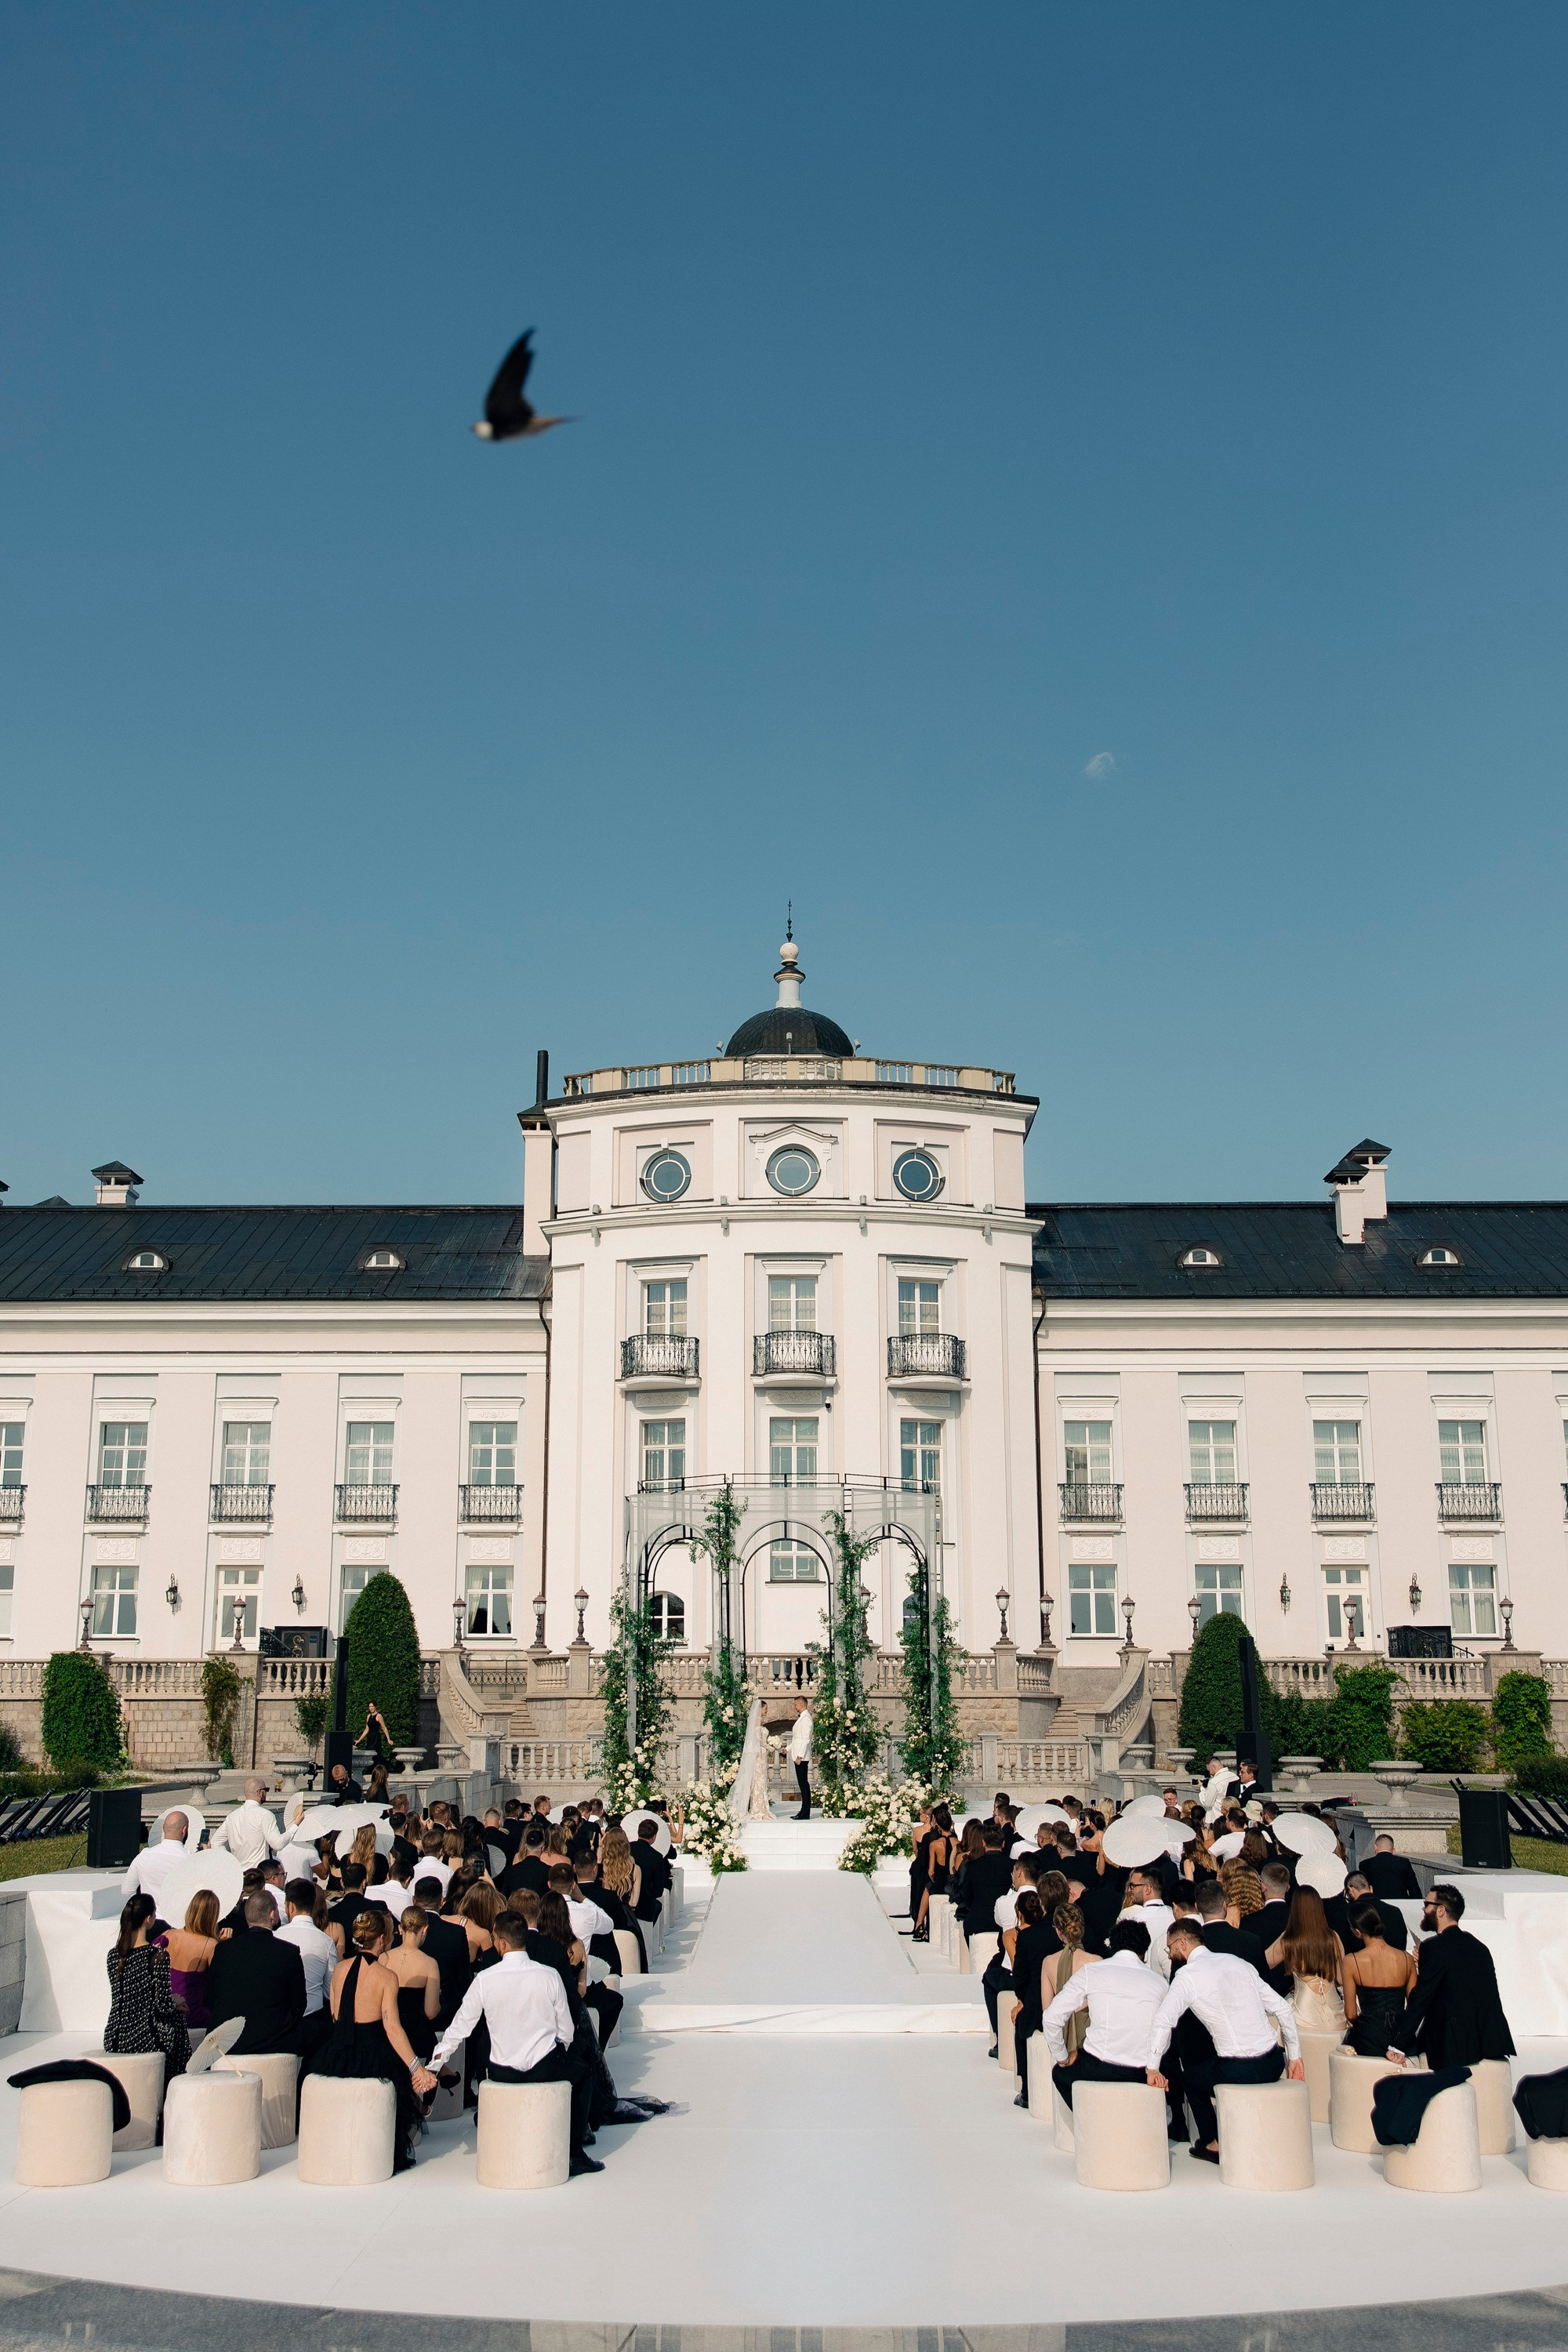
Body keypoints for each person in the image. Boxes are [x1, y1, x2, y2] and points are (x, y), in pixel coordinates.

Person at [430, 1911, 597, 2172]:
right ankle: (575, 2152)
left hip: (502, 2072)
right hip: (545, 2068)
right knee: (584, 2072)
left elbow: (460, 2028)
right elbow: (566, 2031)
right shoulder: (549, 1975)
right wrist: (558, 2048)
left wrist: (435, 2064)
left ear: (503, 1944)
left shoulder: (485, 1979)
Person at [1148, 1918, 1305, 2161]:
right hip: (1274, 2063)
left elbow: (1163, 2021)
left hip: (1238, 2069)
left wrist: (1152, 2067)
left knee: (1189, 2078)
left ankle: (1214, 2143)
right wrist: (1295, 2058)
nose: (1169, 1955)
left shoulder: (1187, 1976)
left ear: (1182, 1943)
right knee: (1213, 2063)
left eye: (1169, 1948)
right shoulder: (1239, 1964)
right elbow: (1283, 2009)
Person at [303, 1911, 437, 2171]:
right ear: (384, 1939)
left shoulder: (340, 1969)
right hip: (373, 2054)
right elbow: (392, 2027)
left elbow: (335, 2015)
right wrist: (415, 2067)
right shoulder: (387, 1977)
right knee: (401, 2091)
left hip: (337, 2052)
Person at [1388, 1882, 1515, 2069]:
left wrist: (1398, 2045)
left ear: (1441, 1910)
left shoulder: (1433, 1947)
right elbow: (1460, 1986)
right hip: (1489, 2040)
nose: (1423, 1909)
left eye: (1427, 1904)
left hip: (1452, 2045)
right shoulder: (1480, 1948)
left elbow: (1421, 2000)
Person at [1045, 1917, 1167, 2107]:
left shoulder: (1091, 1972)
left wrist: (1062, 2058)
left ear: (1112, 1945)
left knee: (1060, 2073)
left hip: (1098, 2068)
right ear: (1144, 1951)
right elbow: (1164, 2033)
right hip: (1141, 2072)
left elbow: (1051, 2018)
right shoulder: (1160, 1983)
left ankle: (1090, 2120)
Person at [206, 1890, 309, 2053]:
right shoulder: (288, 1952)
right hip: (274, 2043)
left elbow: (210, 1997)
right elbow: (299, 2004)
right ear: (272, 1914)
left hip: (226, 2045)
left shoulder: (223, 1950)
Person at [105, 1893, 191, 2081]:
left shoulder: (114, 1955)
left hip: (115, 2035)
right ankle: (176, 2084)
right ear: (149, 1919)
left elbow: (129, 1997)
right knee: (178, 2021)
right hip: (143, 2035)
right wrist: (174, 2001)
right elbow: (162, 2006)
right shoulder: (157, 1956)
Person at [1341, 1902, 1420, 2056]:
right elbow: (1414, 2006)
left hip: (1369, 2038)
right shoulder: (1406, 1958)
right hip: (1401, 2037)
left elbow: (1350, 2014)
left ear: (1357, 1932)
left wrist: (1367, 2026)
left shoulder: (1352, 1961)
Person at [1264, 1886, 1345, 2034]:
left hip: (1304, 2014)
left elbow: (1262, 1962)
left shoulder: (1290, 1939)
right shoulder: (1333, 1937)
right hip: (1335, 2013)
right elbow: (1341, 1978)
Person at [384, 1904, 442, 2067]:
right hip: (417, 2037)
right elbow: (431, 2012)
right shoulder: (430, 1964)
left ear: (400, 1929)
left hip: (387, 2035)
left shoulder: (384, 1958)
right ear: (425, 1930)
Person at [413, 1871, 474, 2027]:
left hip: (410, 2017)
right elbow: (464, 1979)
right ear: (441, 1901)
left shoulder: (404, 1933)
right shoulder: (456, 1933)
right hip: (446, 2015)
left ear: (414, 1900)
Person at [159, 1889, 220, 2032]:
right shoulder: (210, 1944)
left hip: (166, 2008)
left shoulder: (167, 1935)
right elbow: (219, 1981)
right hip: (190, 2012)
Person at [120, 1809, 194, 1905]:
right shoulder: (190, 1858)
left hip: (150, 1916)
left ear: (163, 1828)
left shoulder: (144, 1855)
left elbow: (127, 1890)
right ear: (184, 1830)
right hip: (178, 1917)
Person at [210, 1777, 285, 1867]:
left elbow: (215, 1842)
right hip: (259, 1873)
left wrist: (230, 1862)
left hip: (239, 1873)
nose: (266, 1793)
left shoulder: (232, 1816)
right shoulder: (265, 1815)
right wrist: (295, 1826)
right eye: (266, 1790)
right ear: (259, 1793)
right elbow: (278, 1844)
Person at [1344, 1870, 1410, 1951]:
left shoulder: (1348, 1912)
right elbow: (1402, 1942)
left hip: (1360, 1961)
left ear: (1350, 1890)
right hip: (1394, 1960)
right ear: (1371, 1888)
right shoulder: (1395, 1911)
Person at [1361, 1834, 1423, 1902]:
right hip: (1402, 1905)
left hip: (1377, 1906)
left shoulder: (1365, 1864)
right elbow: (1414, 1890)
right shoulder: (1404, 1862)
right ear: (1393, 1850)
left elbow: (1363, 1891)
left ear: (1375, 1847)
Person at [789, 1696, 813, 1820]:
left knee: (804, 1784)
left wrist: (799, 1756)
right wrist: (787, 1749)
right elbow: (797, 1738)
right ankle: (803, 1811)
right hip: (799, 1755)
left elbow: (805, 1739)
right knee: (802, 1784)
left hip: (802, 1757)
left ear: (802, 1705)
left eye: (795, 1705)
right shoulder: (803, 1718)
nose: (794, 1707)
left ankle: (805, 1813)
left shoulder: (806, 1719)